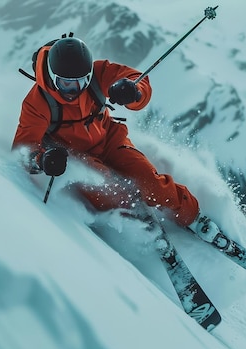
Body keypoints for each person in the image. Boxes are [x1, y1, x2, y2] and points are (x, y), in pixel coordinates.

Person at [12, 36, 222, 244]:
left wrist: (133, 92)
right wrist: (44, 160)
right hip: (76, 154)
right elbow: (24, 149)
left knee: (149, 181)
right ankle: (142, 226)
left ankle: (193, 217)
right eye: (66, 84)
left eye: (81, 82)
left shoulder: (98, 74)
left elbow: (137, 79)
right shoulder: (37, 102)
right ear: (52, 76)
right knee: (109, 191)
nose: (74, 91)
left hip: (110, 139)